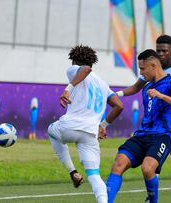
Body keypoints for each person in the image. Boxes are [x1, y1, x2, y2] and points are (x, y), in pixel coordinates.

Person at [116, 35, 171, 203]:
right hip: (154, 125)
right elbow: (136, 87)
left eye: (164, 51)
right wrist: (117, 95)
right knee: (152, 160)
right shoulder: (149, 70)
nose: (161, 53)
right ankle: (151, 195)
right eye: (158, 50)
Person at [47, 45, 124, 203]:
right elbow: (119, 106)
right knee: (94, 176)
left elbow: (86, 69)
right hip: (90, 134)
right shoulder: (103, 84)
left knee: (52, 131)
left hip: (71, 126)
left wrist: (68, 89)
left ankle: (72, 172)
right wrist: (103, 125)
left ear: (74, 60)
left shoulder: (74, 69)